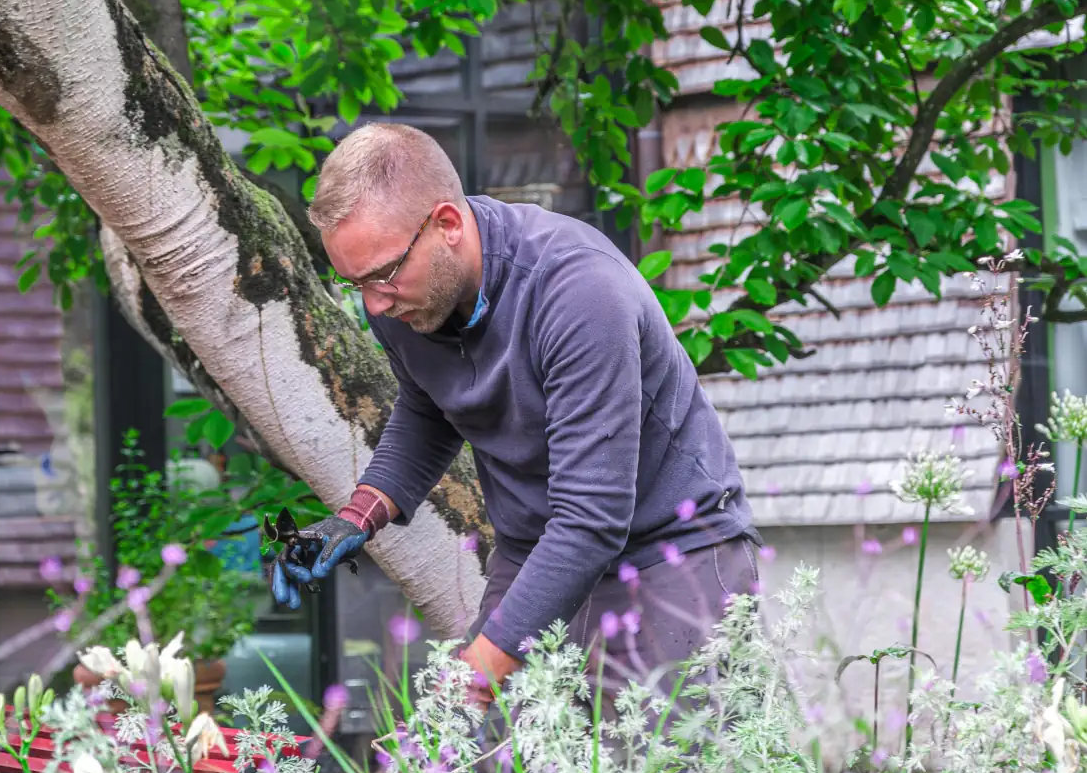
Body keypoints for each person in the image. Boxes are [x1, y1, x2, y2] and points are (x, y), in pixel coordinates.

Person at [271, 123, 759, 709]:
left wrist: (472, 678)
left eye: (382, 275)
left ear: (447, 225)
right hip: (536, 553)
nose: (374, 304)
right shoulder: (404, 298)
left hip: (671, 554)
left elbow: (592, 518)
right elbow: (429, 405)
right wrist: (357, 518)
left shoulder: (578, 292)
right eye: (354, 283)